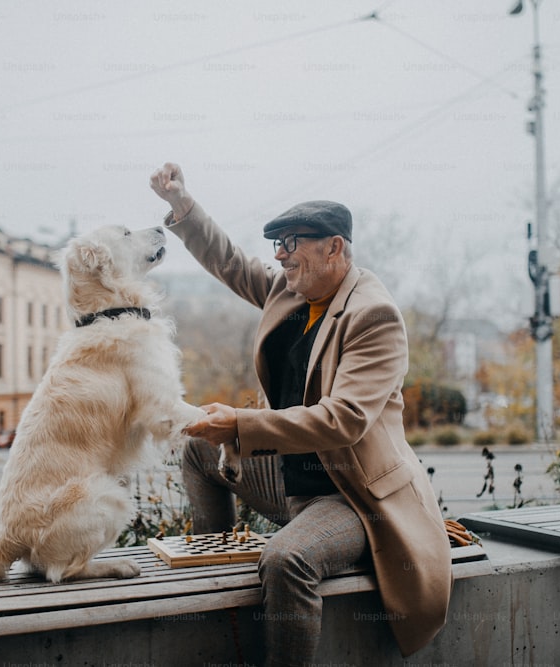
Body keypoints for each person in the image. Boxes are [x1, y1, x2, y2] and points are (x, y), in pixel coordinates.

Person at [149, 162, 452, 666]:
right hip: (293, 480)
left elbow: (344, 420)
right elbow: (230, 262)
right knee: (201, 449)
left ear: (333, 247)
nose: (279, 255)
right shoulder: (292, 291)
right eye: (277, 244)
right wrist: (183, 206)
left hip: (353, 495)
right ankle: (213, 574)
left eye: (291, 242)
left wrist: (241, 425)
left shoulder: (372, 316)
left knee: (287, 559)